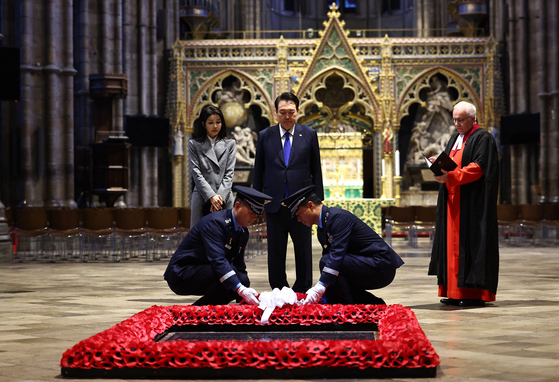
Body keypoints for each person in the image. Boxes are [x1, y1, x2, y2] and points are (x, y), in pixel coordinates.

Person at [280, 185, 404, 305]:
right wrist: (322, 294)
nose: (299, 219)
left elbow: (336, 256)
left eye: (299, 214)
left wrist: (320, 287)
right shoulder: (322, 228)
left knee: (328, 263)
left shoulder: (338, 218)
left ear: (311, 205)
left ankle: (343, 309)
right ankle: (373, 305)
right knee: (331, 271)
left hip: (381, 266)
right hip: (365, 263)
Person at [428, 101, 500, 307]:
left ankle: (471, 294)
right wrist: (438, 163)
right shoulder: (455, 138)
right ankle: (453, 291)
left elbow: (478, 168)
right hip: (452, 201)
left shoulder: (483, 138)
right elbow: (452, 162)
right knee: (451, 247)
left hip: (471, 203)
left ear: (472, 118)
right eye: (454, 120)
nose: (457, 124)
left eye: (461, 120)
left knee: (469, 245)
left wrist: (451, 175)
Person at [253, 92, 324, 293]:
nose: (287, 116)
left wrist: (317, 201)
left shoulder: (309, 134)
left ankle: (302, 288)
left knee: (303, 249)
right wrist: (257, 201)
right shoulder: (266, 135)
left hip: (302, 203)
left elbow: (316, 169)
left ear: (298, 112)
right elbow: (259, 170)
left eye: (291, 112)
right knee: (276, 250)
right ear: (276, 112)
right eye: (282, 112)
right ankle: (278, 288)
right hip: (273, 202)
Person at [164, 186, 272, 306]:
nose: (254, 218)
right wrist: (240, 289)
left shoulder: (242, 232)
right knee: (233, 278)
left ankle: (200, 311)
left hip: (206, 269)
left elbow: (239, 265)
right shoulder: (215, 223)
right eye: (251, 213)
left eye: (257, 215)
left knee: (241, 278)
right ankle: (194, 314)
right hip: (182, 272)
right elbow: (218, 260)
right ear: (237, 206)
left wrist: (244, 297)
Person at [189, 105, 236, 227]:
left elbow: (229, 174)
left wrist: (218, 197)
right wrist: (211, 196)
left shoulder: (230, 144)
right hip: (201, 196)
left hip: (224, 197)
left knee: (226, 238)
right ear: (204, 124)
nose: (215, 126)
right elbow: (196, 173)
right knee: (199, 239)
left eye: (218, 122)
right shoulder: (194, 144)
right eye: (211, 123)